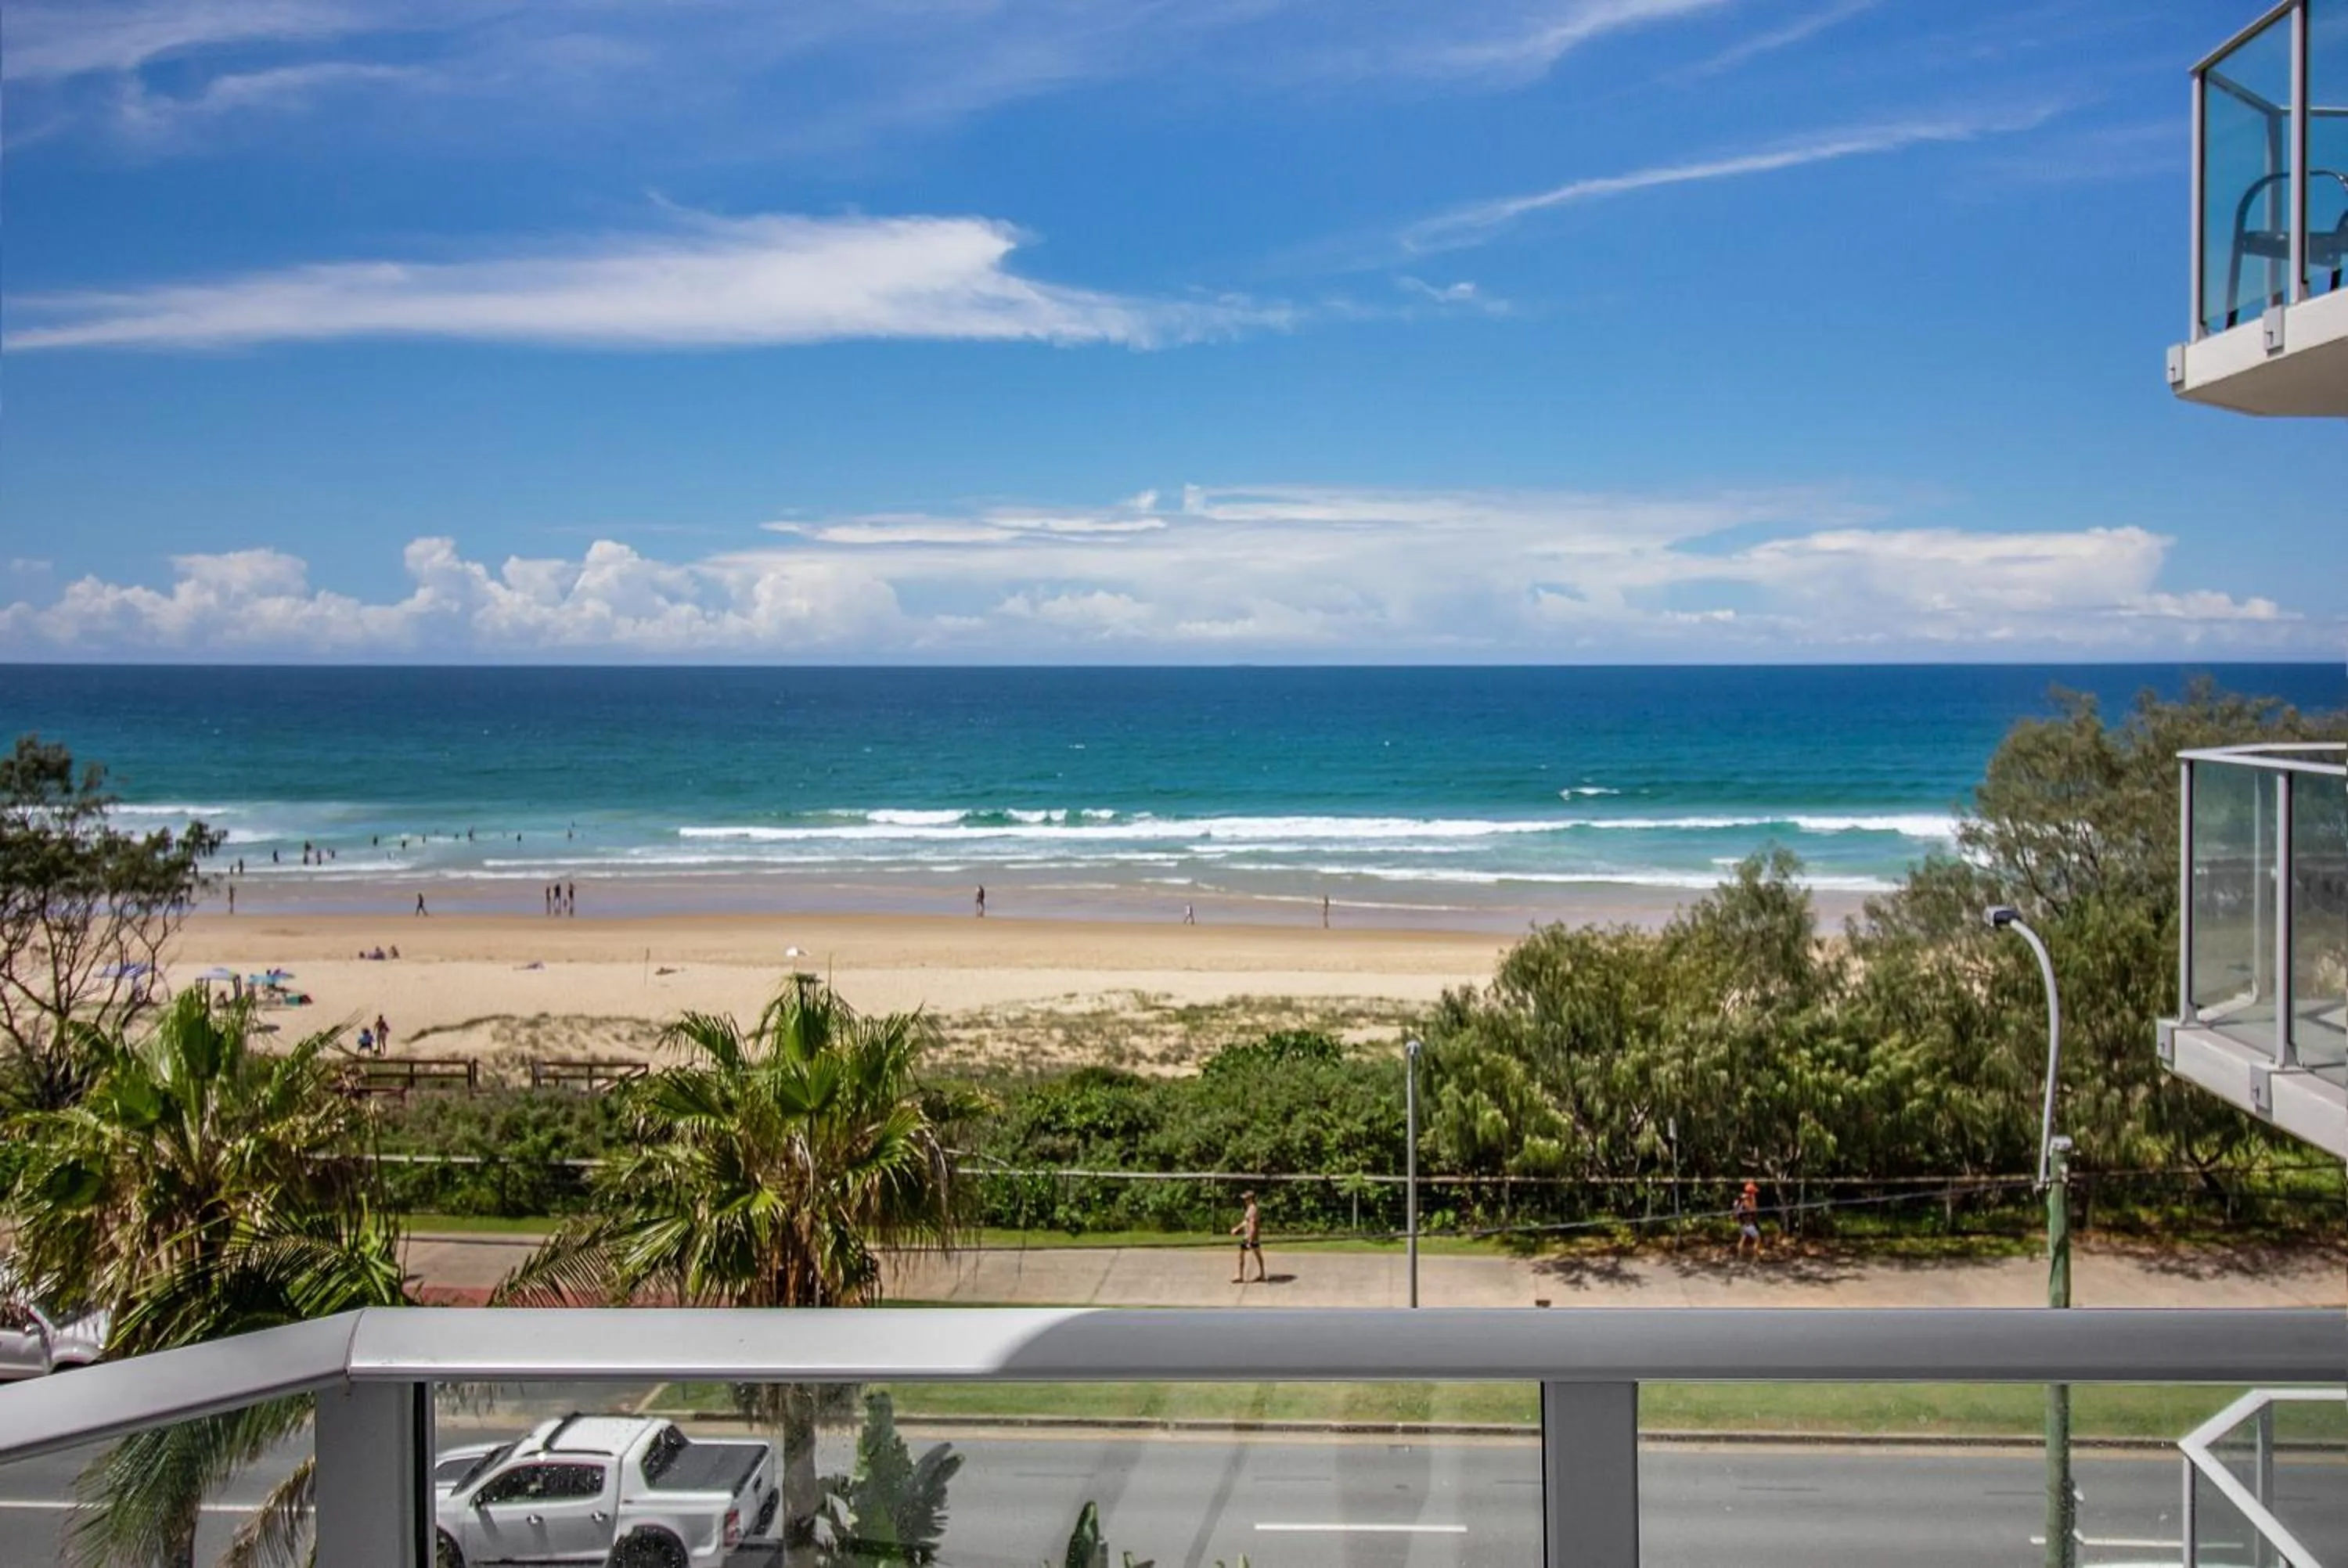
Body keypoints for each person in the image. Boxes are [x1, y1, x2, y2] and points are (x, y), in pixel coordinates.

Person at [1230, 1190, 1267, 1283]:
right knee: (1257, 1254)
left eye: (1246, 1198)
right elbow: (1246, 1222)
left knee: (1243, 1254)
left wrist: (1250, 1239)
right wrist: (1237, 1228)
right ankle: (1262, 1274)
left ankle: (1240, 1276)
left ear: (1251, 1199)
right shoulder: (1250, 1208)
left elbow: (1253, 1224)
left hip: (1250, 1236)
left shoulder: (1252, 1209)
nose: (1245, 1200)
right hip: (1251, 1236)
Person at [1733, 1181, 1763, 1258]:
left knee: (1743, 1239)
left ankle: (1739, 1256)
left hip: (1743, 1223)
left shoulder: (1742, 1199)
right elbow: (1752, 1210)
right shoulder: (1747, 1199)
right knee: (1758, 1239)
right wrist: (1754, 1202)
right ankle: (1756, 1257)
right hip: (1748, 1223)